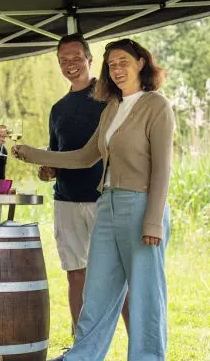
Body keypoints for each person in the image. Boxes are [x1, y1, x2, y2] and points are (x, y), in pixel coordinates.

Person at [13, 38, 174, 361]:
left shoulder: (156, 105)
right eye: (111, 65)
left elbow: (163, 168)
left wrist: (153, 221)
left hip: (141, 205)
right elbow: (85, 156)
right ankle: (82, 356)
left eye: (123, 62)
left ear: (141, 63)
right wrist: (32, 154)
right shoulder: (112, 107)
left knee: (145, 293)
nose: (117, 69)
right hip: (107, 204)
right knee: (97, 291)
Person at [40, 34, 129, 359]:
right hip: (66, 201)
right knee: (76, 275)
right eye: (63, 59)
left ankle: (138, 346)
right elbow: (56, 155)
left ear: (90, 59)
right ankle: (82, 350)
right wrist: (47, 169)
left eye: (76, 57)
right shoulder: (58, 109)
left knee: (120, 277)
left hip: (105, 198)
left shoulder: (111, 97)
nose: (70, 64)